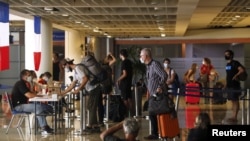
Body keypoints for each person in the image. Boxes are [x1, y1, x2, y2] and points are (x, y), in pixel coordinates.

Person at [60, 57, 102, 132]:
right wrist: (62, 93)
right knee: (90, 106)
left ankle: (91, 126)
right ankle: (95, 126)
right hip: (91, 89)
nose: (65, 68)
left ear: (67, 64)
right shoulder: (76, 71)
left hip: (94, 88)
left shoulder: (79, 68)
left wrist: (78, 89)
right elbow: (73, 84)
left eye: (64, 66)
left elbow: (85, 78)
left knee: (91, 107)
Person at [11, 69, 54, 135]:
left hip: (23, 104)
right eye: (29, 75)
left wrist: (32, 84)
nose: (30, 76)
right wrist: (39, 96)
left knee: (39, 108)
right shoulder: (20, 84)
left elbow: (32, 92)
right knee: (39, 108)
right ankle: (45, 125)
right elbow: (29, 95)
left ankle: (44, 126)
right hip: (18, 106)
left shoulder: (25, 83)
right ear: (24, 76)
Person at [140, 48, 167, 140]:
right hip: (151, 94)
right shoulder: (148, 66)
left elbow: (164, 75)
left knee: (153, 113)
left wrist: (159, 87)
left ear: (146, 56)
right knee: (152, 113)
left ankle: (155, 133)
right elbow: (150, 80)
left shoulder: (155, 64)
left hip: (157, 94)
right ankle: (154, 133)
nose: (140, 57)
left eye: (141, 55)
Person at [224, 49, 245, 123]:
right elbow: (228, 75)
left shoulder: (235, 63)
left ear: (231, 55)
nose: (226, 55)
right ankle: (233, 116)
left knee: (235, 101)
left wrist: (236, 75)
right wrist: (226, 85)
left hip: (235, 85)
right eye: (225, 54)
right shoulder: (227, 65)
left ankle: (235, 117)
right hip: (229, 85)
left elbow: (241, 70)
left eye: (227, 54)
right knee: (233, 101)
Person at [98, 53, 116, 125]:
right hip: (108, 84)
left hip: (104, 84)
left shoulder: (102, 67)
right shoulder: (107, 67)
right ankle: (106, 114)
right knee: (105, 99)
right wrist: (111, 54)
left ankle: (105, 114)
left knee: (104, 99)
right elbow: (115, 60)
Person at [117, 49, 133, 117]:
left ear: (121, 55)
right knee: (129, 98)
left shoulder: (124, 62)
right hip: (129, 82)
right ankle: (131, 113)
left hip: (124, 83)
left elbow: (124, 74)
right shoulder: (129, 62)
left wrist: (118, 79)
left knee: (125, 99)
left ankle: (126, 113)